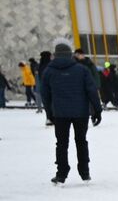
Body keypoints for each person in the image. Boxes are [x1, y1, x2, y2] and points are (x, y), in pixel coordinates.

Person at [39, 41, 101, 185]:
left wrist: (49, 113)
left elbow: (45, 94)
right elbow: (91, 90)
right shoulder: (81, 70)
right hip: (81, 113)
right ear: (70, 55)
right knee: (81, 141)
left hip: (60, 113)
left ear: (55, 55)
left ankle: (61, 174)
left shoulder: (49, 71)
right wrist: (97, 110)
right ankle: (85, 173)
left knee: (61, 143)